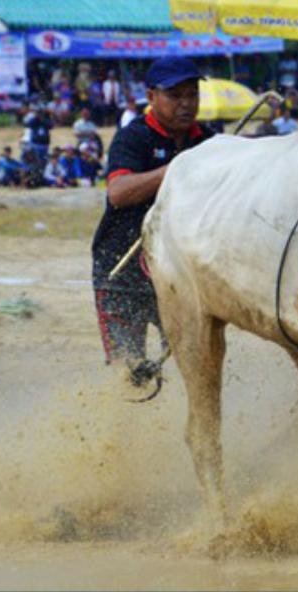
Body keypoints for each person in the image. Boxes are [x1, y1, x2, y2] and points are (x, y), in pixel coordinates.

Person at [90, 56, 210, 381]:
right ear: (152, 96)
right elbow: (118, 191)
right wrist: (175, 170)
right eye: (176, 96)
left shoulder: (207, 140)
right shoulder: (134, 137)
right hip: (123, 269)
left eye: (192, 95)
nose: (186, 104)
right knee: (129, 369)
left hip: (179, 270)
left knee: (196, 356)